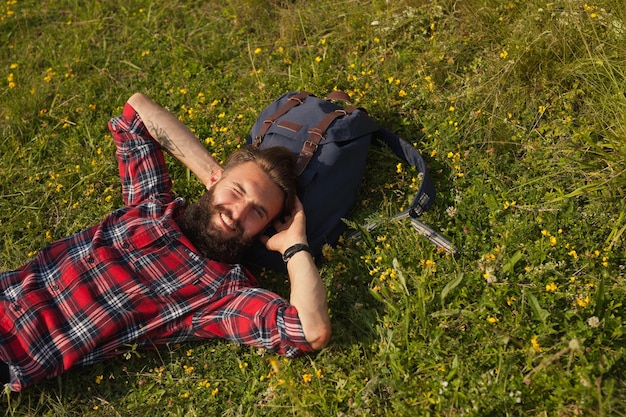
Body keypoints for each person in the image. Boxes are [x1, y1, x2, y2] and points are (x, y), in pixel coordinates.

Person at [0, 93, 331, 392]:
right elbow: (138, 111)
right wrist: (218, 179)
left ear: (265, 228)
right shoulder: (151, 203)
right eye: (237, 192)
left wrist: (294, 246)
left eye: (257, 212)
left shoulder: (219, 293)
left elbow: (310, 330)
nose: (237, 212)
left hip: (15, 351)